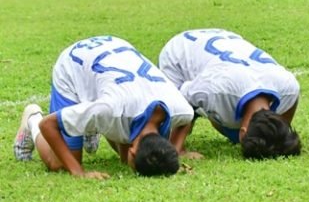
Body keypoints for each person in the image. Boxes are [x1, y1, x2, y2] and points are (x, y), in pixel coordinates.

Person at [13, 36, 194, 179]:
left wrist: (175, 150)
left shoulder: (180, 109)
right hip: (75, 64)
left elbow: (187, 119)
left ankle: (87, 120)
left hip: (115, 52)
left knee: (115, 131)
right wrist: (79, 173)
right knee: (59, 164)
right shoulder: (111, 111)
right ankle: (31, 119)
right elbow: (48, 125)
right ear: (133, 149)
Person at [158, 29, 301, 160]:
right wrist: (177, 149)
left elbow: (291, 102)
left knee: (228, 122)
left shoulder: (289, 87)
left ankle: (209, 114)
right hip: (180, 51)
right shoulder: (215, 90)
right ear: (243, 132)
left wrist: (278, 130)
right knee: (169, 121)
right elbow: (182, 98)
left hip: (225, 43)